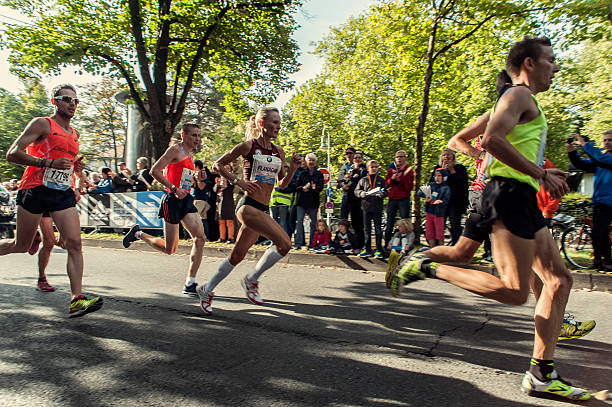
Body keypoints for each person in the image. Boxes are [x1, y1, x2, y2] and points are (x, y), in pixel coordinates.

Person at [391, 37, 592, 401]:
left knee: (558, 279)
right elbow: (495, 141)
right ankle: (425, 267)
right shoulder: (518, 96)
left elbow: (494, 143)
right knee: (515, 292)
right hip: (508, 195)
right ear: (529, 63)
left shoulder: (520, 101)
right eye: (550, 60)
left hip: (516, 194)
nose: (555, 67)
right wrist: (540, 173)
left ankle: (542, 374)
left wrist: (539, 172)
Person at [1, 83, 103, 317]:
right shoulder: (42, 123)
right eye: (66, 99)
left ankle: (76, 299)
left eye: (75, 100)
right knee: (21, 246)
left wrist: (77, 168)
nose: (72, 103)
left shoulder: (75, 133)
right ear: (54, 101)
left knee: (75, 243)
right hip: (34, 189)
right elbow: (12, 154)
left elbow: (66, 164)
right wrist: (47, 163)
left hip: (61, 193)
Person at [195, 108, 301, 315]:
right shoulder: (248, 146)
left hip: (263, 207)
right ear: (262, 124)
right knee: (285, 243)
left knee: (237, 255)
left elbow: (280, 184)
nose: (278, 126)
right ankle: (251, 280)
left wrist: (294, 169)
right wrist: (239, 182)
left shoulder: (279, 151)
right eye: (273, 122)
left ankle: (206, 289)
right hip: (248, 206)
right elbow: (218, 165)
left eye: (279, 123)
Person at [122, 123, 207, 296]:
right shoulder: (175, 150)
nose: (197, 139)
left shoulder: (190, 155)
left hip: (186, 200)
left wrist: (197, 178)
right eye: (193, 135)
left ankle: (190, 283)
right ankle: (138, 234)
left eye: (198, 135)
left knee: (200, 238)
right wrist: (174, 189)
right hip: (172, 200)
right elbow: (155, 171)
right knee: (170, 249)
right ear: (184, 135)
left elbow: (184, 179)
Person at [567, 130, 612, 271]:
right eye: (605, 140)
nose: (607, 142)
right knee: (598, 233)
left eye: (610, 140)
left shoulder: (605, 160)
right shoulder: (601, 160)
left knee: (600, 232)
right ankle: (601, 261)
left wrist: (584, 144)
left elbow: (599, 159)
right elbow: (582, 165)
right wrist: (572, 151)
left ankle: (605, 261)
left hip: (609, 202)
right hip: (601, 202)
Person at [429, 149, 468, 245]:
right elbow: (432, 184)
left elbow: (462, 184)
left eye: (449, 155)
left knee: (455, 225)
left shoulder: (460, 168)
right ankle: (438, 246)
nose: (446, 157)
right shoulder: (437, 168)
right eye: (444, 155)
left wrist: (452, 170)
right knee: (438, 224)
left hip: (455, 202)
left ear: (453, 157)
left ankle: (456, 247)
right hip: (440, 202)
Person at [354, 159, 386, 259]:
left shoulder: (381, 180)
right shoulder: (363, 179)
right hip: (366, 207)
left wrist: (382, 194)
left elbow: (386, 192)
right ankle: (367, 249)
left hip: (377, 207)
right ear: (367, 169)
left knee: (378, 229)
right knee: (366, 229)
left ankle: (378, 250)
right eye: (372, 167)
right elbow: (356, 191)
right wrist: (361, 193)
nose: (374, 169)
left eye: (376, 167)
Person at [294, 153, 324, 249]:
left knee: (313, 224)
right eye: (309, 160)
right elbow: (296, 187)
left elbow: (321, 188)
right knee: (299, 223)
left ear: (315, 162)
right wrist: (302, 188)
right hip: (301, 202)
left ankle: (312, 244)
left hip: (313, 203)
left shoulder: (319, 174)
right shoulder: (302, 173)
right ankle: (298, 244)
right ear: (306, 162)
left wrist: (315, 188)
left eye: (313, 160)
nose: (311, 162)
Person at [384, 150, 414, 249]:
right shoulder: (391, 169)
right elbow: (386, 185)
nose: (399, 158)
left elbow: (409, 187)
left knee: (405, 223)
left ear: (405, 158)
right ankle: (388, 245)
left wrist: (402, 178)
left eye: (401, 156)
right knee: (389, 223)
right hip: (392, 199)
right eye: (397, 157)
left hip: (403, 199)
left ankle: (406, 245)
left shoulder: (409, 170)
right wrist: (392, 179)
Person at [419, 168, 450, 247]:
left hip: (439, 213)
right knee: (429, 233)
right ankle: (432, 249)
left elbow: (446, 200)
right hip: (429, 212)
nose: (437, 178)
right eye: (435, 176)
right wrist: (426, 196)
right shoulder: (431, 185)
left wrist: (440, 202)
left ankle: (440, 251)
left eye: (439, 176)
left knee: (439, 234)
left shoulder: (446, 188)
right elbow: (420, 192)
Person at [343, 152, 367, 249]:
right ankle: (356, 244)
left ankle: (362, 244)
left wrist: (350, 182)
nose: (357, 159)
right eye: (355, 158)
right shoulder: (351, 170)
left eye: (359, 158)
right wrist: (345, 184)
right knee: (354, 223)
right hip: (351, 199)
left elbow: (361, 182)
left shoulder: (363, 170)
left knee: (360, 223)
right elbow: (346, 181)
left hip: (360, 200)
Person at [536, 158, 561, 228]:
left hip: (543, 214)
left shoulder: (549, 180)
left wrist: (547, 211)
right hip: (535, 212)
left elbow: (556, 197)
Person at [270, 164, 293, 236]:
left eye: (285, 167)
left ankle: (283, 240)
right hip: (273, 202)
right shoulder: (272, 176)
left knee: (283, 223)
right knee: (272, 224)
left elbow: (291, 189)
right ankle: (273, 241)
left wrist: (279, 189)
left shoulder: (288, 177)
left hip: (284, 202)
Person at [214, 165, 235, 243]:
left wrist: (228, 178)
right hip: (220, 201)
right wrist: (217, 184)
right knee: (221, 220)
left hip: (228, 201)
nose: (225, 170)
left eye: (228, 169)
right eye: (224, 168)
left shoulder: (232, 178)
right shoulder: (220, 178)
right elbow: (215, 190)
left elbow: (233, 186)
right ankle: (222, 238)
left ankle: (230, 238)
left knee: (229, 220)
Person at [192, 159, 212, 239]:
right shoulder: (197, 173)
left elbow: (201, 187)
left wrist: (198, 179)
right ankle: (205, 237)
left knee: (194, 218)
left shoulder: (202, 173)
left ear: (196, 167)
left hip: (200, 199)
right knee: (203, 219)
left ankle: (197, 236)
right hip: (198, 199)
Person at [336, 147, 355, 220]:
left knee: (356, 218)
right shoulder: (343, 167)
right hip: (345, 195)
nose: (348, 155)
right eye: (346, 153)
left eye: (350, 153)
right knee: (343, 218)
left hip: (355, 196)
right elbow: (340, 180)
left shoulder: (358, 167)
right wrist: (340, 184)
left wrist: (349, 184)